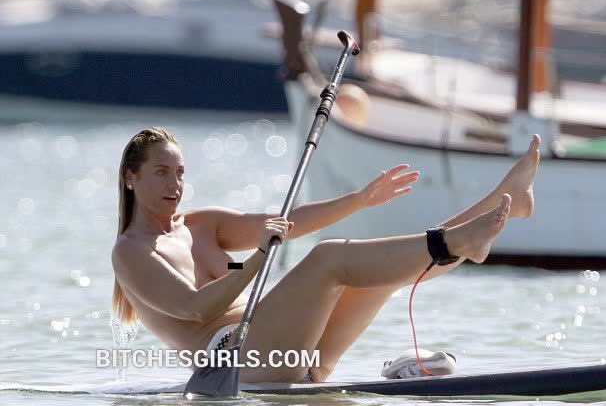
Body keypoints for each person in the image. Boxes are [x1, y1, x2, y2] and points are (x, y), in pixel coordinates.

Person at [111, 127, 540, 384]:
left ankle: (500, 203)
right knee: (329, 257)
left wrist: (360, 199)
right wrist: (257, 257)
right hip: (234, 363)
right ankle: (461, 241)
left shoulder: (201, 224)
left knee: (382, 270)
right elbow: (195, 306)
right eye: (161, 173)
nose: (175, 185)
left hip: (292, 355)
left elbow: (288, 222)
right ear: (131, 178)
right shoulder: (130, 251)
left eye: (180, 173)